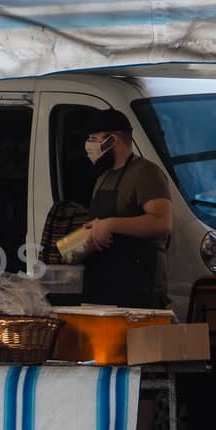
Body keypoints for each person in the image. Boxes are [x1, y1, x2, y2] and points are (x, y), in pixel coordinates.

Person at [47, 109, 173, 308]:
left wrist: (111, 224)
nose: (88, 145)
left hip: (137, 289)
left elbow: (161, 222)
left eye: (93, 138)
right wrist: (72, 247)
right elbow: (97, 226)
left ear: (113, 139)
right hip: (103, 287)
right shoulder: (103, 176)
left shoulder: (146, 173)